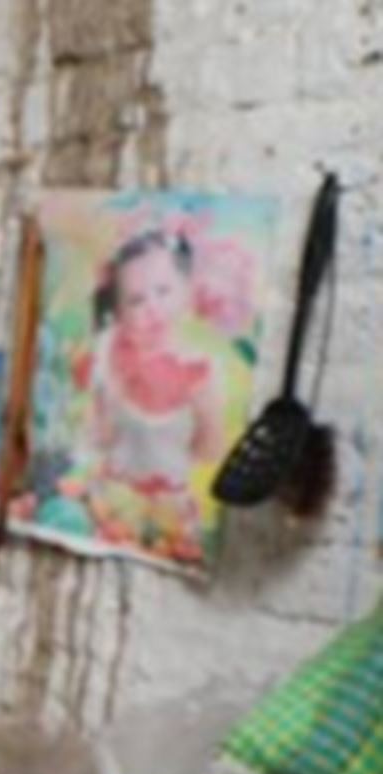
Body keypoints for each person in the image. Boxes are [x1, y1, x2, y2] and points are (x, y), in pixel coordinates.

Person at [83, 227, 241, 559]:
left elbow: (210, 451)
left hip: (170, 516)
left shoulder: (202, 373)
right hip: (110, 504)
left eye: (163, 291)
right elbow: (97, 436)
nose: (152, 308)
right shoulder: (109, 353)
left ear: (186, 292)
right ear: (121, 313)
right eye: (137, 300)